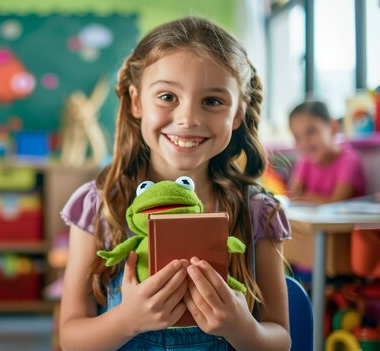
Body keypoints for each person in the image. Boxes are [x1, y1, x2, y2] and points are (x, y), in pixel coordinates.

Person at [59, 17, 291, 351]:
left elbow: (280, 341)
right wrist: (128, 320)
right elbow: (71, 338)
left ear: (238, 113)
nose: (188, 119)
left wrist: (243, 330)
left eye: (212, 101)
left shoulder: (258, 211)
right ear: (137, 102)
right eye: (168, 96)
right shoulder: (99, 206)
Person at [288, 100, 366, 204]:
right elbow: (292, 197)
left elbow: (336, 202)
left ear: (333, 127)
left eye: (311, 132)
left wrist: (304, 197)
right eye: (297, 137)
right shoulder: (305, 161)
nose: (304, 143)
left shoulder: (349, 161)